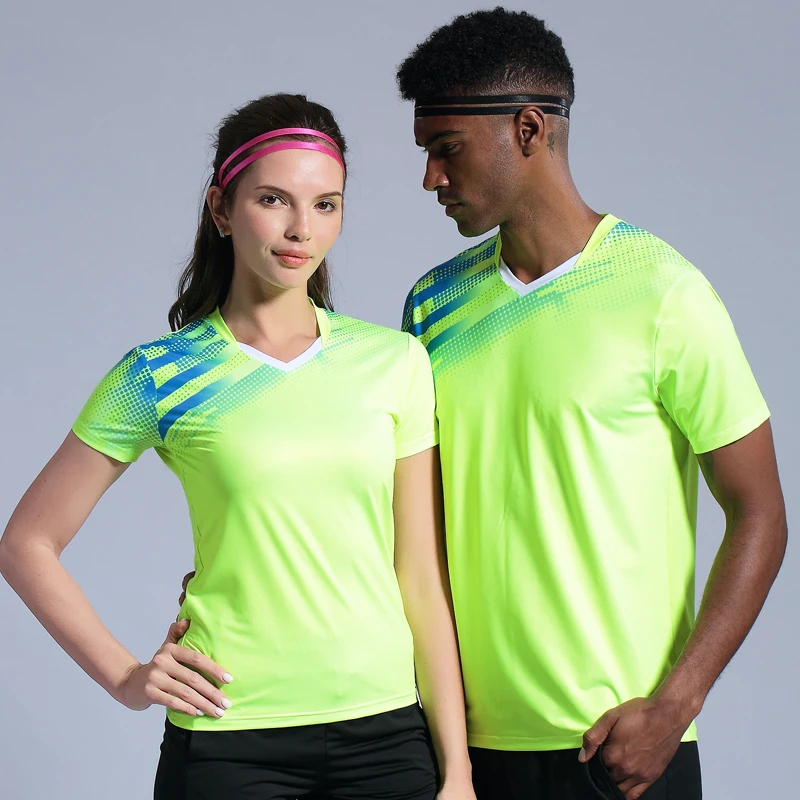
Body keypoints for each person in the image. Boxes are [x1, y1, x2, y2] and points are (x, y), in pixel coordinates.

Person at [0, 93, 476, 800]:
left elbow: (421, 576)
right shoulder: (161, 374)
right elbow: (25, 544)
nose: (300, 228)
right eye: (273, 199)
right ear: (222, 209)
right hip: (230, 734)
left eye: (325, 205)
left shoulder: (394, 362)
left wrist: (457, 769)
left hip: (387, 733)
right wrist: (126, 677)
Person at [396, 8, 787, 800]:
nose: (431, 178)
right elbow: (413, 522)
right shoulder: (432, 306)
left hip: (621, 751)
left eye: (448, 149)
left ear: (529, 129)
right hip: (466, 755)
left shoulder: (664, 292)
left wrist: (676, 707)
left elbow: (761, 513)